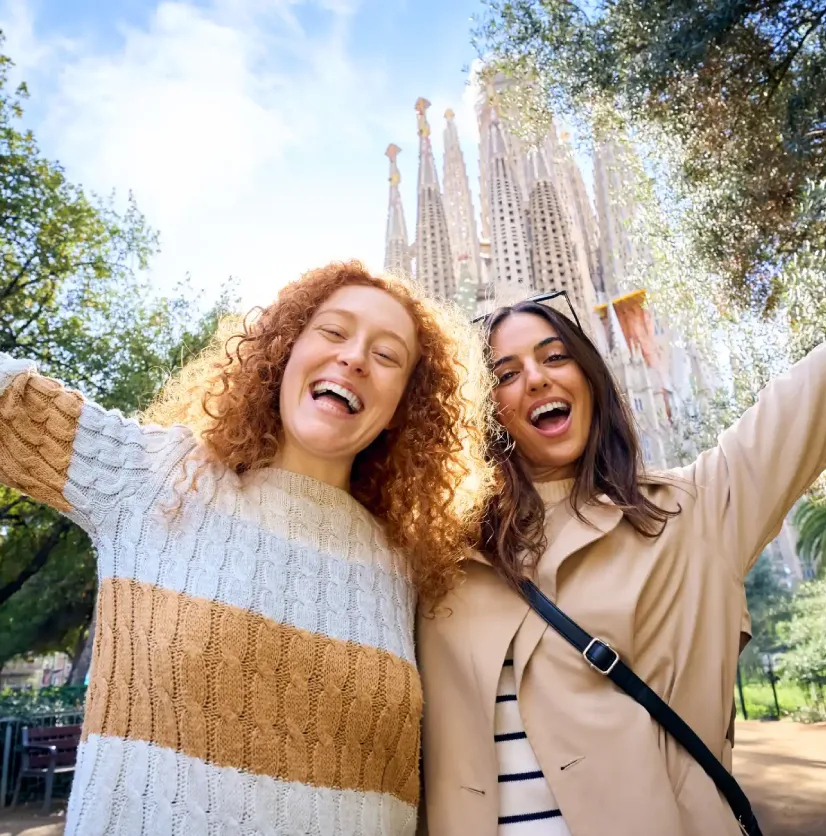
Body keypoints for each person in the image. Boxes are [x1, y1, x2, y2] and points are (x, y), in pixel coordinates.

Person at [0, 261, 488, 835]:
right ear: (283, 352)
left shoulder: (407, 566)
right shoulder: (159, 477)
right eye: (333, 332)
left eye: (387, 356)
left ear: (404, 407)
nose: (354, 358)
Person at [417, 294, 826, 836]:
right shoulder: (439, 554)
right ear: (482, 409)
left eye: (554, 357)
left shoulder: (692, 511)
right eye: (506, 373)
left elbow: (821, 391)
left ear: (590, 378)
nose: (536, 379)